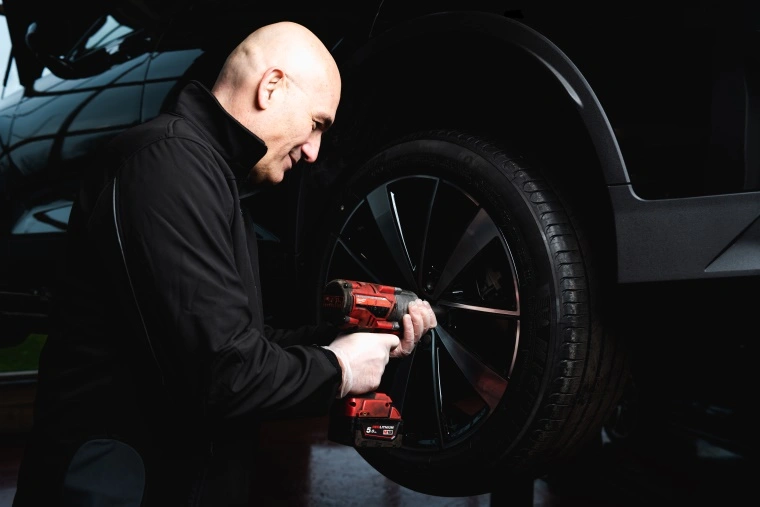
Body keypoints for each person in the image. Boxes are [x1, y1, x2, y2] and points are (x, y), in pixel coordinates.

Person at [13, 21, 437, 507]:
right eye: (317, 123)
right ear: (271, 86)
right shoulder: (165, 164)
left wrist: (349, 342)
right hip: (115, 488)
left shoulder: (211, 179)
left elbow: (242, 344)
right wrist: (338, 368)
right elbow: (225, 376)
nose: (315, 150)